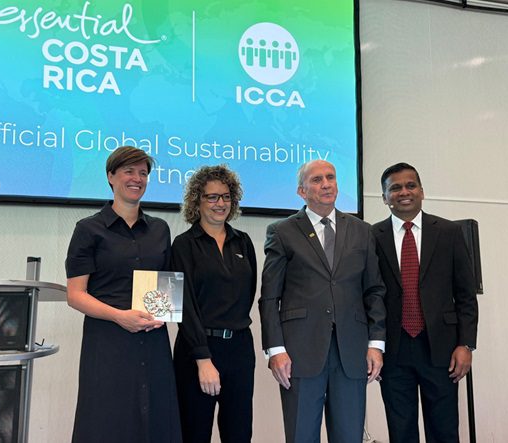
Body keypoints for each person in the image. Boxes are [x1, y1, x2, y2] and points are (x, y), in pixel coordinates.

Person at [259, 159, 386, 443]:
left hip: (351, 351)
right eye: (317, 180)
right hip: (299, 353)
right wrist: (275, 350)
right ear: (301, 191)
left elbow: (374, 291)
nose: (326, 184)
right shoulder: (282, 231)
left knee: (350, 436)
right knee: (302, 435)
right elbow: (269, 297)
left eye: (331, 177)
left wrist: (376, 344)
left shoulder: (362, 231)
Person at [65, 146, 181, 443]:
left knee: (155, 419)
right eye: (129, 171)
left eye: (143, 173)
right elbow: (75, 295)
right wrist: (120, 316)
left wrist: (163, 311)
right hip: (107, 341)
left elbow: (165, 287)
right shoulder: (88, 229)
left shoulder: (160, 229)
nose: (137, 179)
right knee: (106, 420)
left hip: (153, 341)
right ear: (111, 176)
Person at [372, 162, 478, 443]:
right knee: (401, 431)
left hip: (442, 349)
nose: (404, 192)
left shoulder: (449, 232)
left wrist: (466, 344)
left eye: (410, 185)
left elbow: (465, 295)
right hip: (394, 350)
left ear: (422, 191)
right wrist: (373, 346)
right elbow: (368, 296)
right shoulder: (372, 237)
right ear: (384, 197)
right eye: (395, 188)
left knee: (444, 430)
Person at [171, 165, 257, 443]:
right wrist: (203, 358)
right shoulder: (183, 245)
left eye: (226, 196)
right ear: (197, 201)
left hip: (240, 349)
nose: (220, 203)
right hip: (197, 351)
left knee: (239, 433)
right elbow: (184, 306)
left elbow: (247, 294)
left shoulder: (243, 242)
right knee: (194, 433)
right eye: (212, 197)